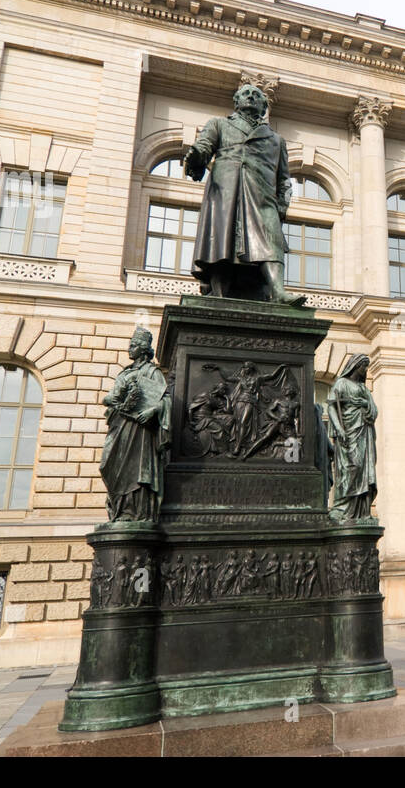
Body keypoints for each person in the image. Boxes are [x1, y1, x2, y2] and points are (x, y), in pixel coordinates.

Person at [183, 82, 304, 305]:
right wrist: (196, 155)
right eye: (245, 94)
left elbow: (284, 179)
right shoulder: (219, 124)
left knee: (271, 238)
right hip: (226, 189)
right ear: (236, 102)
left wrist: (282, 206)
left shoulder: (277, 140)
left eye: (256, 95)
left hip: (262, 194)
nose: (250, 97)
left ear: (265, 105)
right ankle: (219, 294)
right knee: (222, 240)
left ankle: (278, 291)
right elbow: (204, 146)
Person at [99, 327, 172, 522]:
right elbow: (112, 396)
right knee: (109, 464)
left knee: (137, 469)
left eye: (133, 345)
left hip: (140, 430)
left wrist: (152, 411)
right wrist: (111, 400)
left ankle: (136, 513)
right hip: (120, 424)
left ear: (143, 349)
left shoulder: (152, 372)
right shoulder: (125, 373)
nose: (129, 349)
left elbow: (166, 400)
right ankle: (119, 510)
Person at [326, 353, 378, 522]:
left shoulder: (363, 388)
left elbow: (374, 410)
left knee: (364, 469)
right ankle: (342, 507)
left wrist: (365, 404)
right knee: (351, 468)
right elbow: (332, 407)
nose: (366, 370)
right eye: (364, 367)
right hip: (348, 434)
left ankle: (362, 511)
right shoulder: (342, 383)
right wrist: (339, 429)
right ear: (356, 366)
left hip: (364, 432)